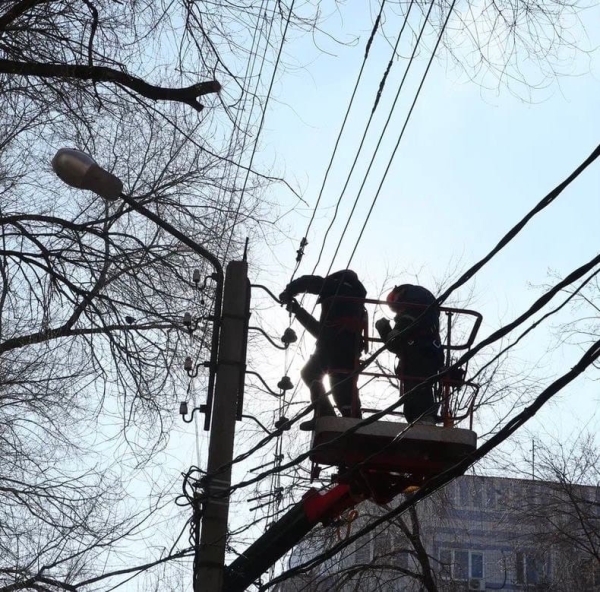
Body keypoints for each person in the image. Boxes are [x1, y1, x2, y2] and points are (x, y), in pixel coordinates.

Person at [279, 270, 368, 431]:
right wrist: (297, 311)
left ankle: (331, 414)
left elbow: (311, 282)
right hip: (343, 347)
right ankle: (345, 416)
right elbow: (321, 331)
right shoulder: (351, 302)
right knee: (338, 381)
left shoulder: (340, 288)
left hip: (334, 346)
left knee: (323, 376)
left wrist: (290, 290)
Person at [375, 284, 444, 425]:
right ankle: (421, 417)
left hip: (420, 354)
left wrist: (383, 329)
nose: (396, 312)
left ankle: (424, 417)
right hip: (428, 352)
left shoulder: (412, 309)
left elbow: (394, 341)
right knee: (417, 386)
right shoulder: (423, 305)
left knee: (417, 384)